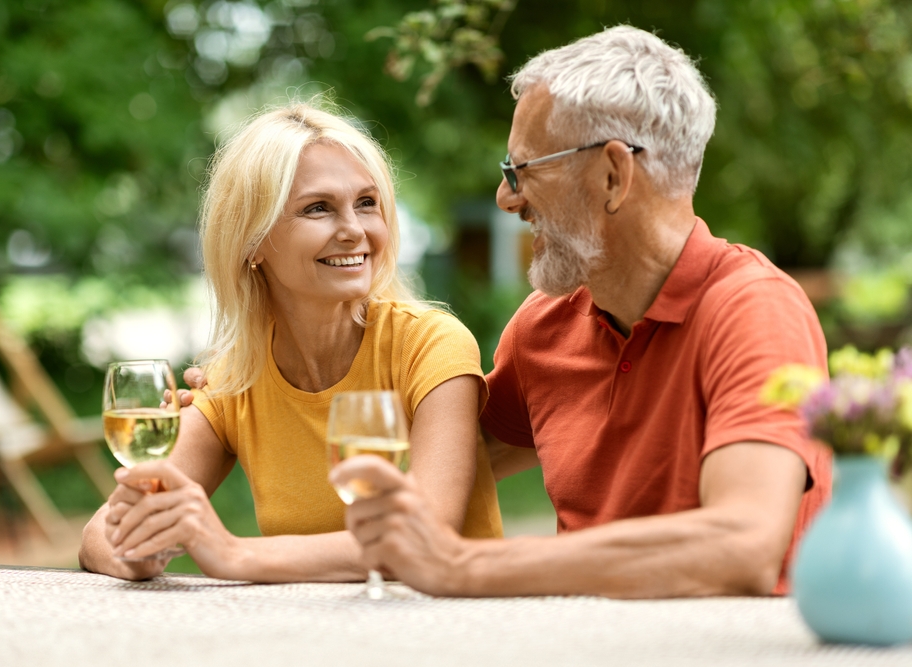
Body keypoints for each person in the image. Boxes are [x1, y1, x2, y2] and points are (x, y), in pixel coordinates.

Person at [332, 25, 831, 598]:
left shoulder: (754, 311)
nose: (507, 198)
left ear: (613, 176)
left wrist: (466, 568)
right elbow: (430, 474)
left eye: (523, 170)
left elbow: (743, 545)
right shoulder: (543, 328)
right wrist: (248, 395)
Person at [79, 103, 503, 581]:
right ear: (252, 242)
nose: (354, 230)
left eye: (367, 202)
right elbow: (101, 536)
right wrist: (140, 550)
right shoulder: (234, 379)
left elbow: (423, 536)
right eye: (318, 208)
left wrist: (234, 553)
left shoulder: (431, 347)